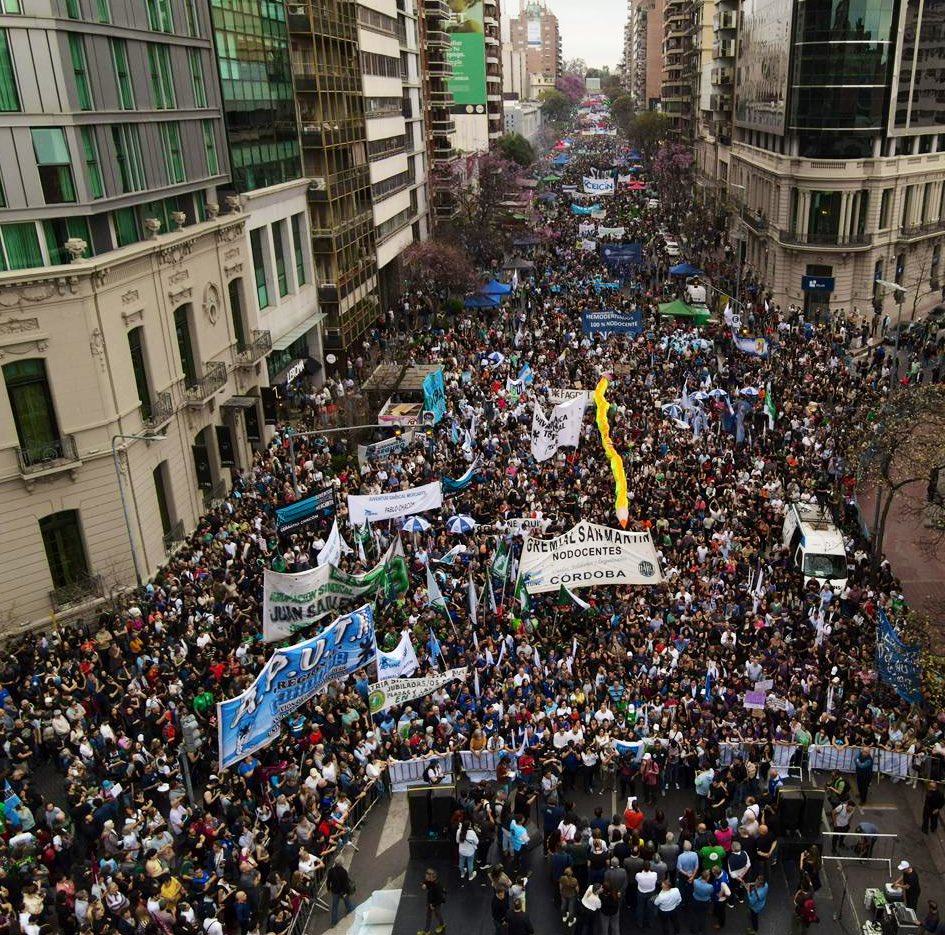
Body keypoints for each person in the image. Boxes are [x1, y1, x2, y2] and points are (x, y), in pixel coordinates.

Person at [420, 868, 446, 935]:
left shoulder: (438, 886)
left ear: (431, 877)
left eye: (427, 877)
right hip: (430, 901)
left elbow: (440, 899)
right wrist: (424, 884)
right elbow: (425, 881)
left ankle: (442, 924)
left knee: (437, 914)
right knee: (428, 915)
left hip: (436, 903)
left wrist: (433, 905)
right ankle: (426, 930)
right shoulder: (429, 881)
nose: (426, 878)